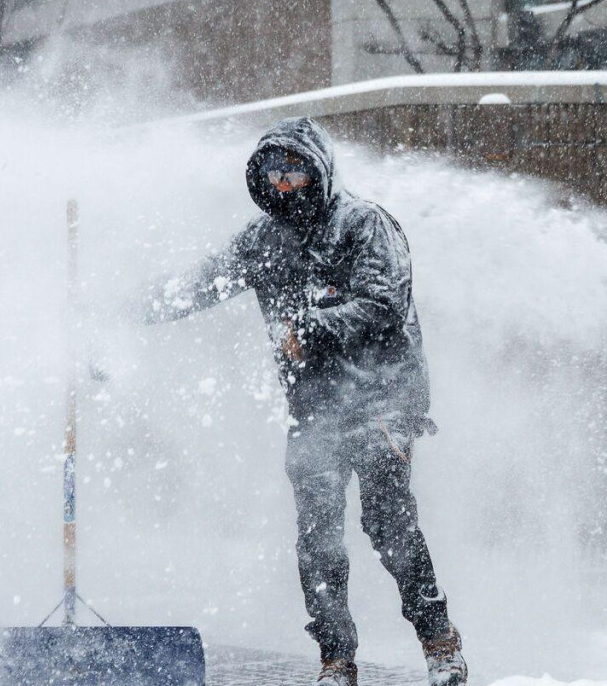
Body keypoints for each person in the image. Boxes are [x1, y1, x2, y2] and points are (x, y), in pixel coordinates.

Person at [143, 117, 465, 686]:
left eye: (295, 170)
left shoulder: (363, 225)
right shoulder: (262, 241)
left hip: (382, 400)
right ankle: (336, 660)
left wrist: (311, 327)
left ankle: (440, 643)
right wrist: (124, 312)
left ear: (319, 169)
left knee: (387, 525)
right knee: (318, 538)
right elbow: (200, 285)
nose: (285, 185)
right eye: (274, 174)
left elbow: (384, 303)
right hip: (314, 409)